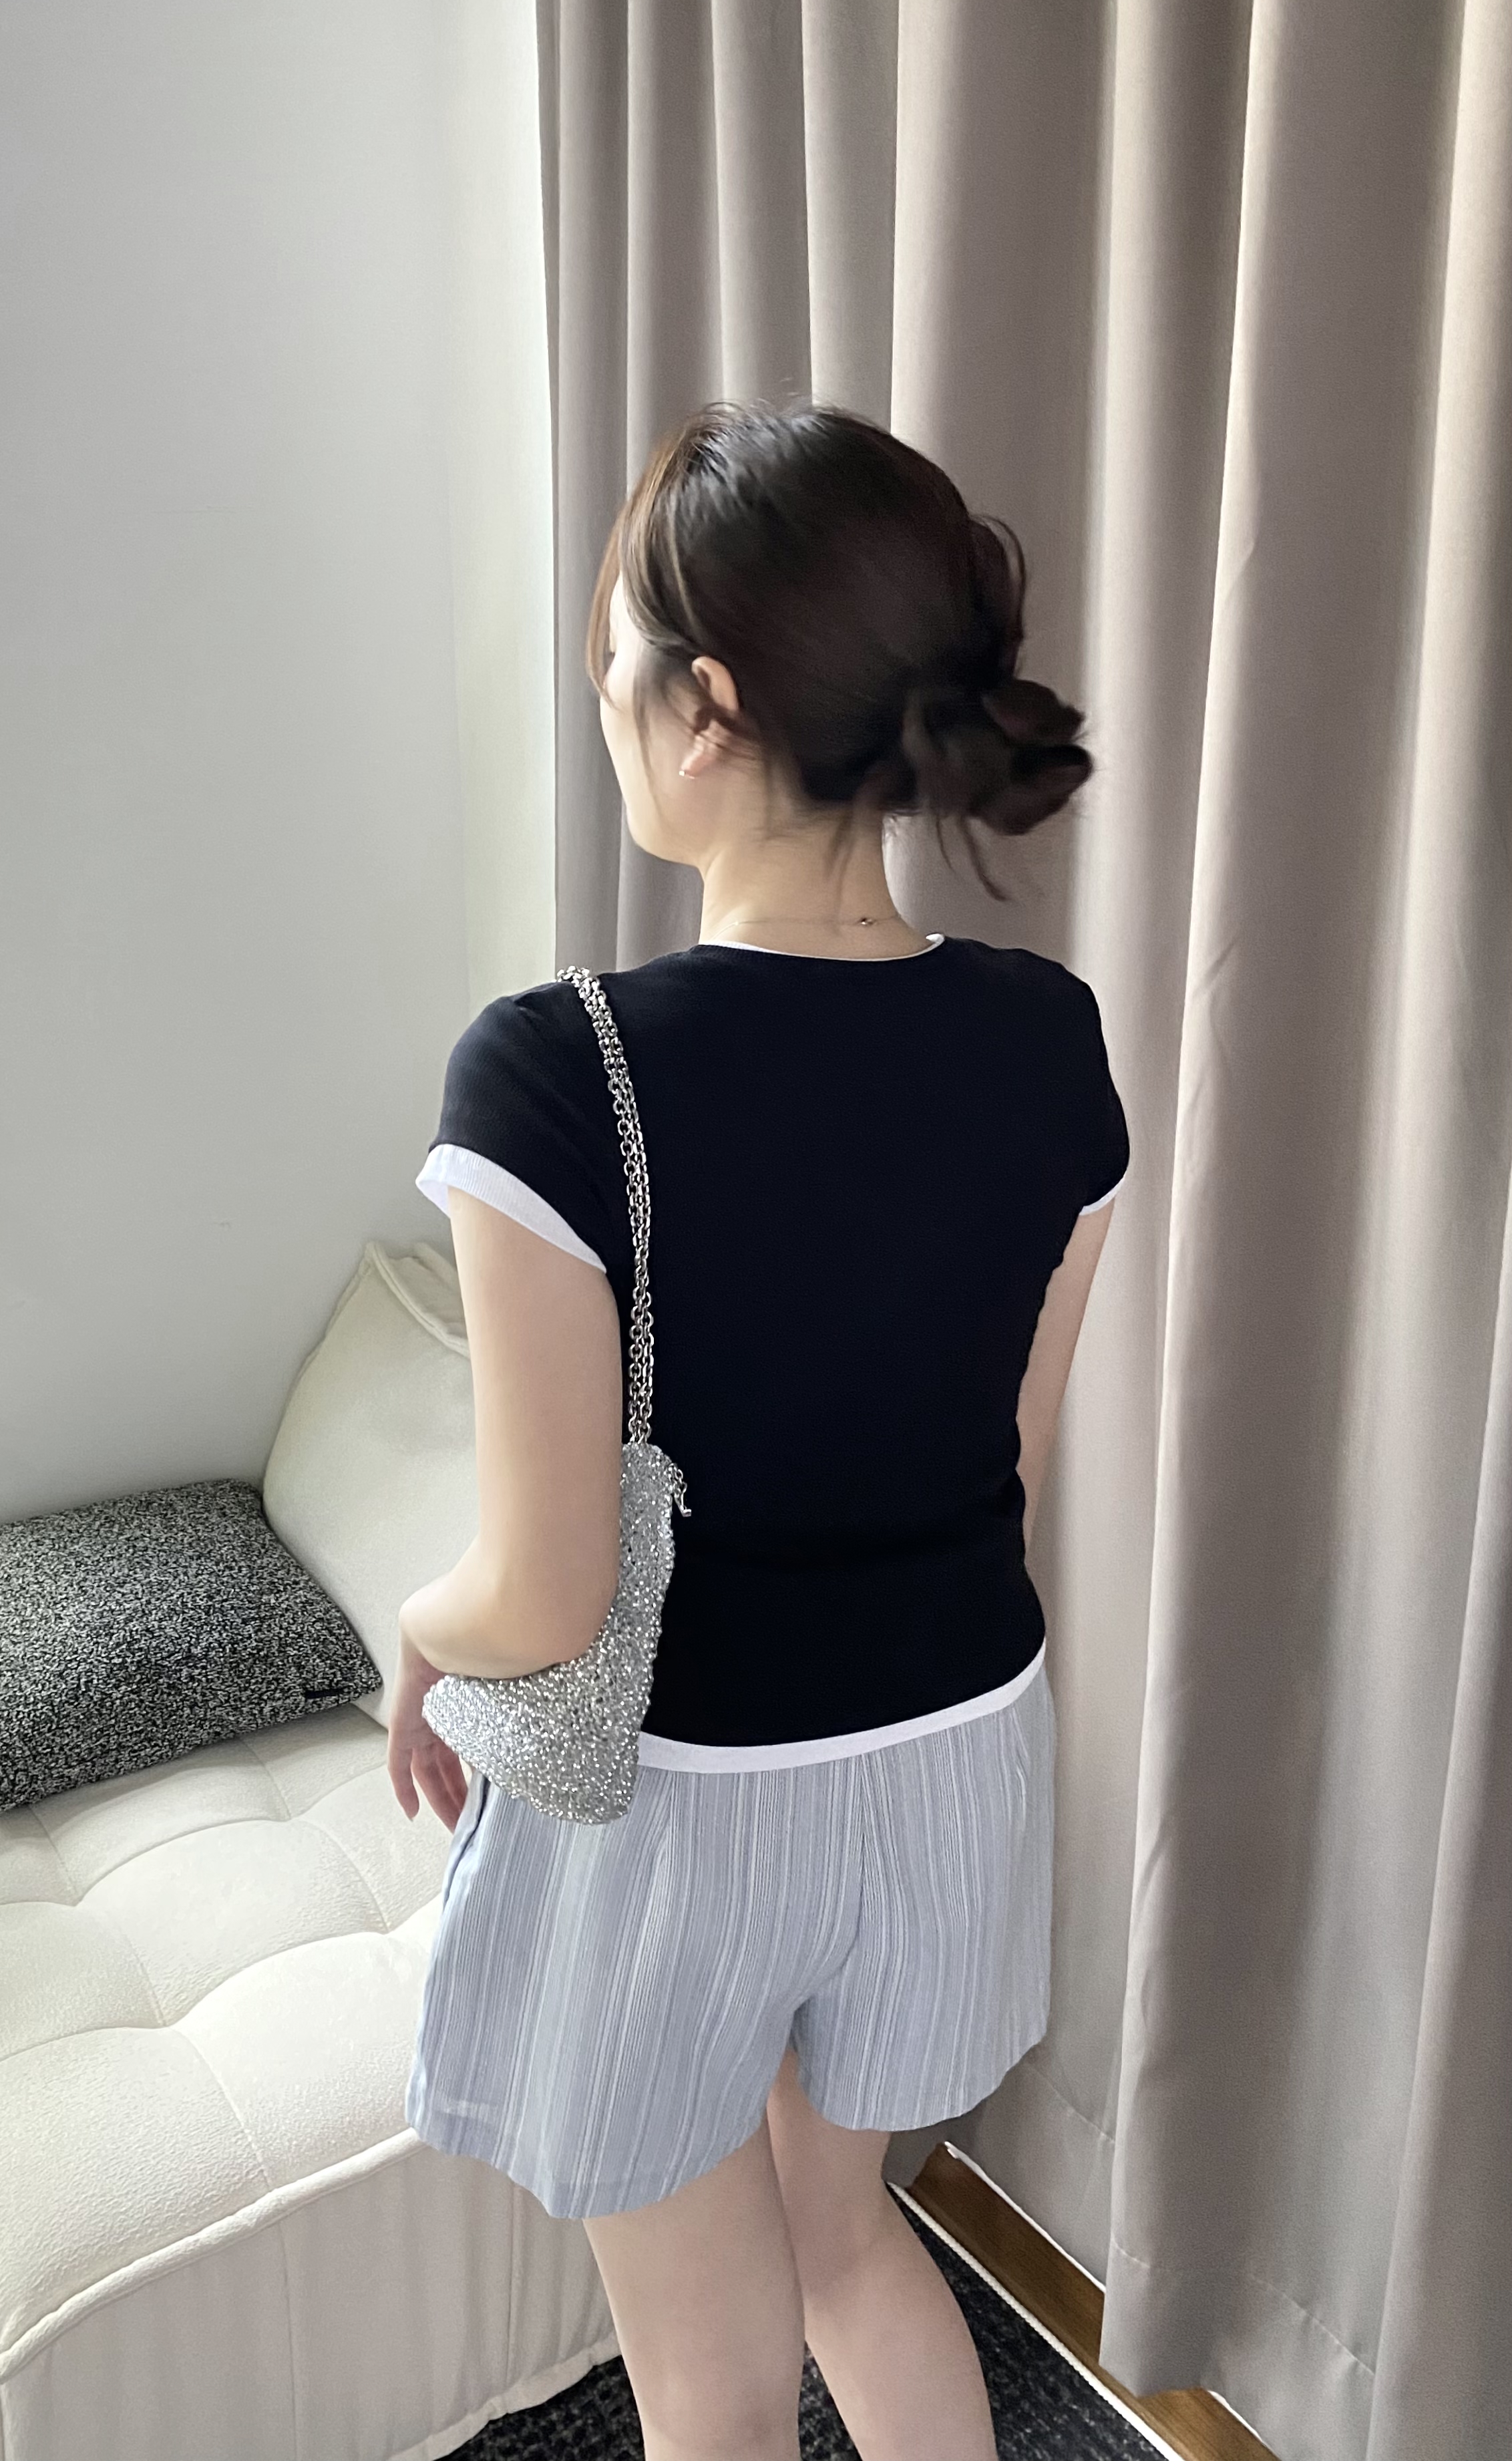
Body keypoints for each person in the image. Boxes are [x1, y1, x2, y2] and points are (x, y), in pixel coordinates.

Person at [387, 399, 1129, 2461]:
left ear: (705, 705)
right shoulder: (1047, 1033)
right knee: (850, 2246)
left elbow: (544, 1591)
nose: (605, 708)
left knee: (708, 2388)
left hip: (685, 1803)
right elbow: (1008, 1465)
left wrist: (424, 1629)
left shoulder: (553, 1071)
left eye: (613, 666)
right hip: (952, 1747)